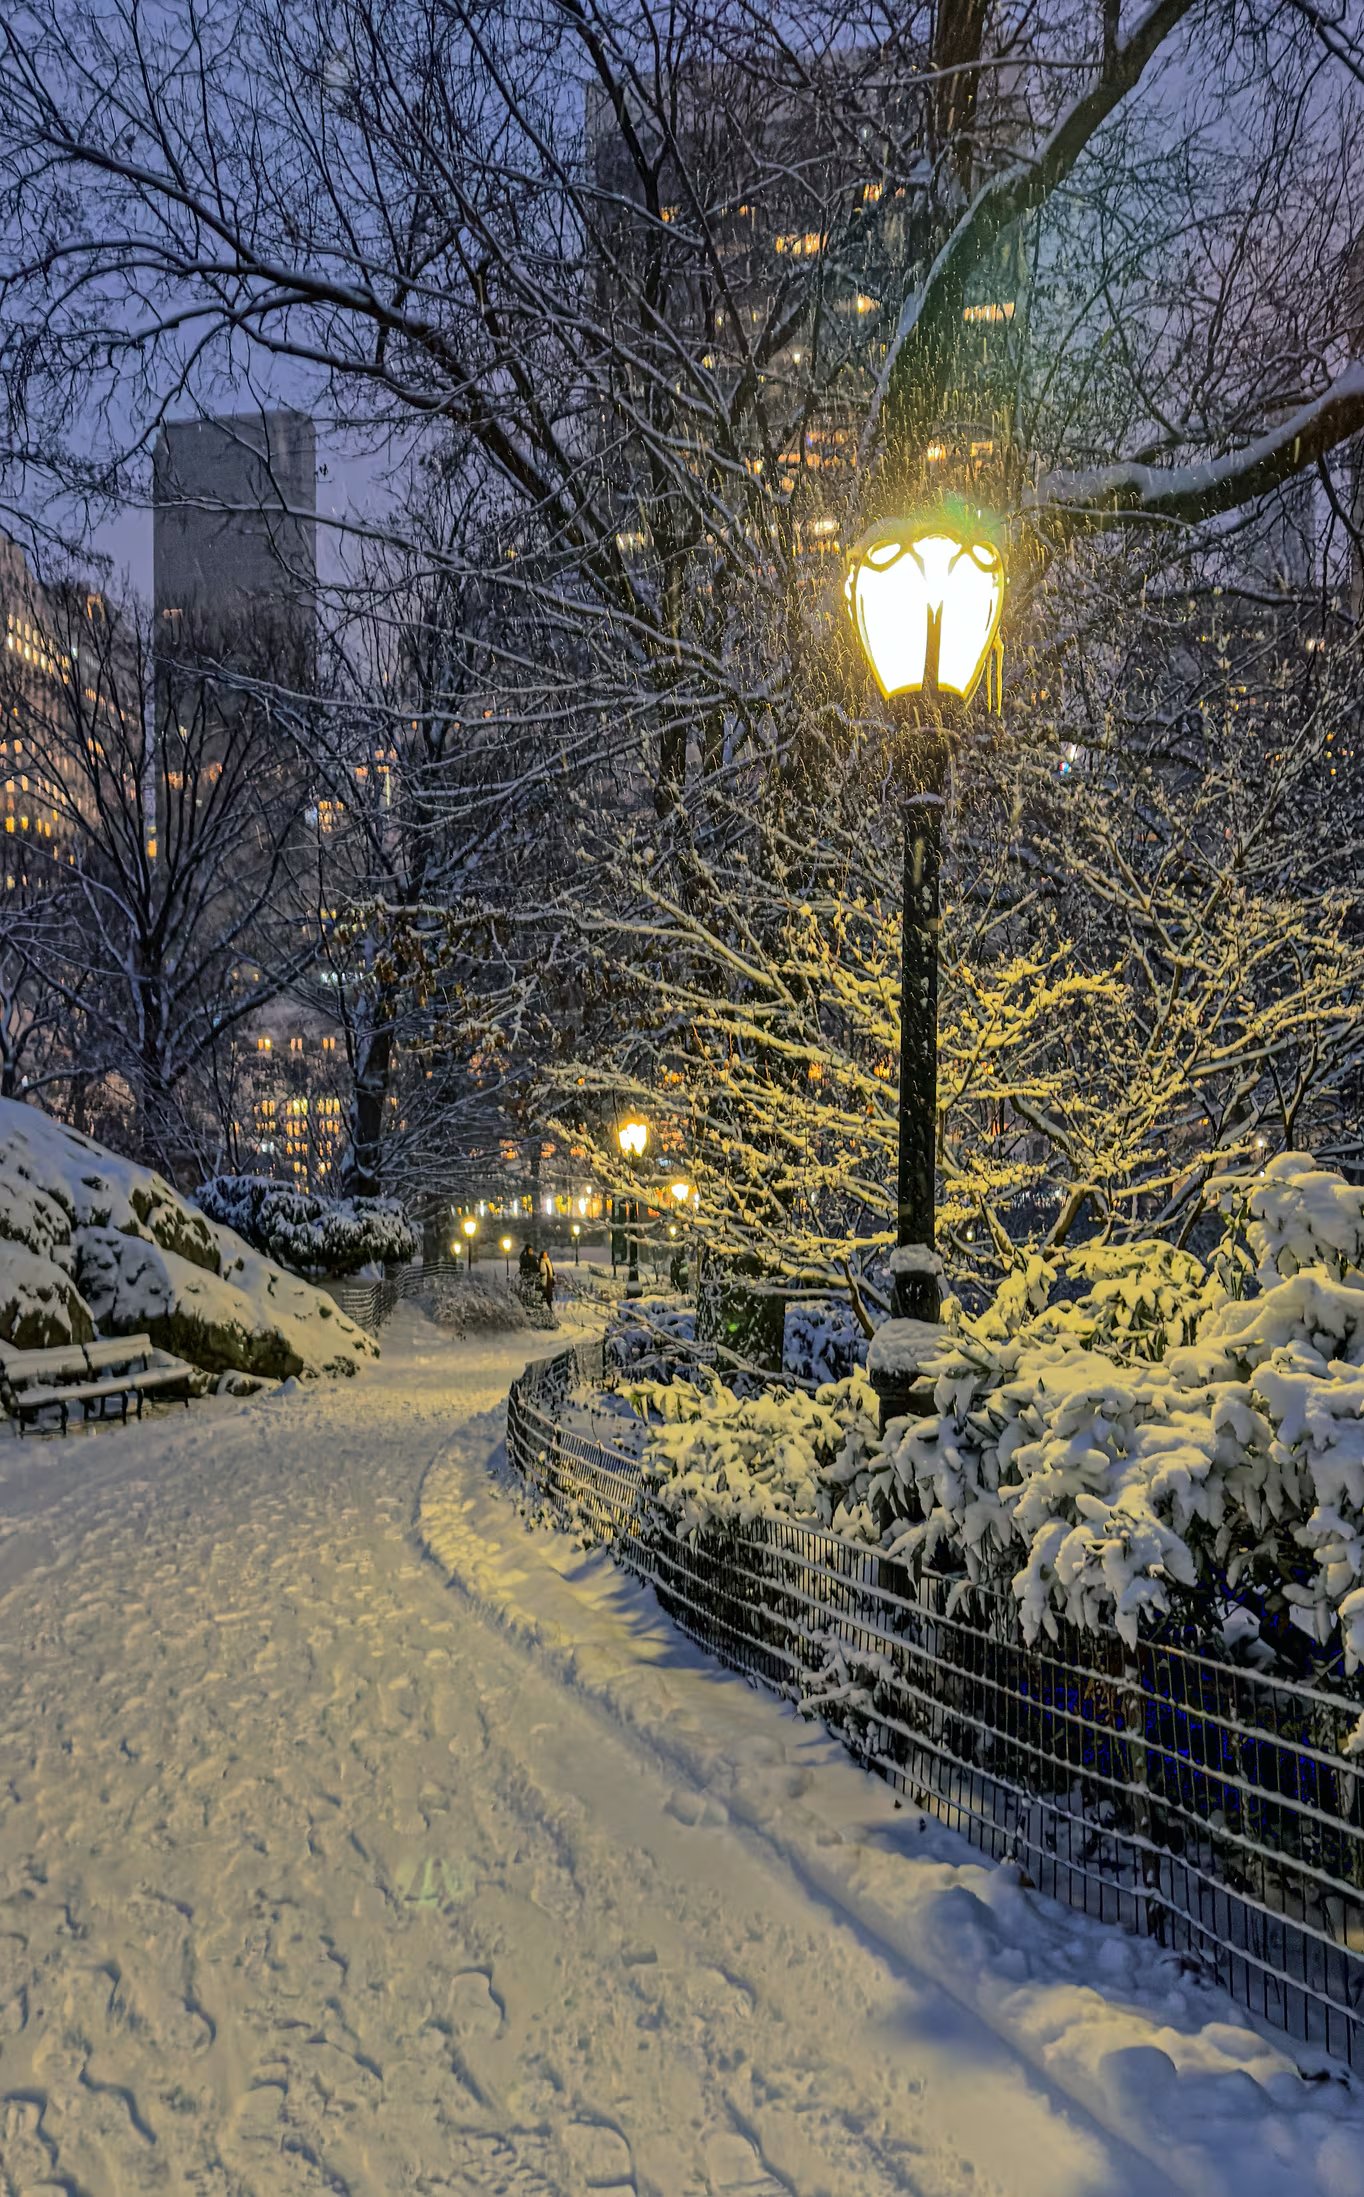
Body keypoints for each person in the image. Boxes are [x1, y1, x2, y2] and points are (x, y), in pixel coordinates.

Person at [538, 1245, 555, 1312]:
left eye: (546, 1254)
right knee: (544, 1294)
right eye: (544, 1254)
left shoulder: (548, 1261)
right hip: (543, 1280)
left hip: (549, 1280)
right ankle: (543, 1307)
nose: (545, 1255)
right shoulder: (540, 1262)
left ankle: (550, 1307)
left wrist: (552, 1275)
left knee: (549, 1295)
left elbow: (551, 1270)